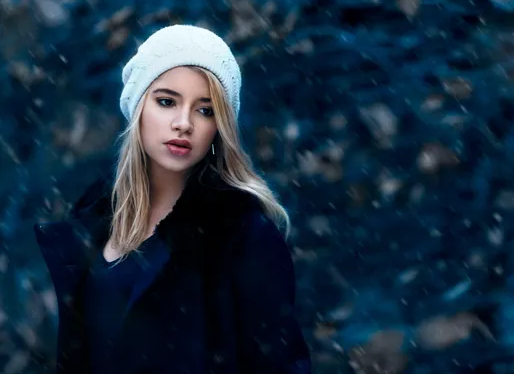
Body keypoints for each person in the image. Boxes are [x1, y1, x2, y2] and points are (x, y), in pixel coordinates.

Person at [33, 24, 311, 374]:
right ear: (138, 108)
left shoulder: (245, 236)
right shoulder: (94, 220)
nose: (184, 123)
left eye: (205, 110)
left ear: (219, 127)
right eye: (167, 101)